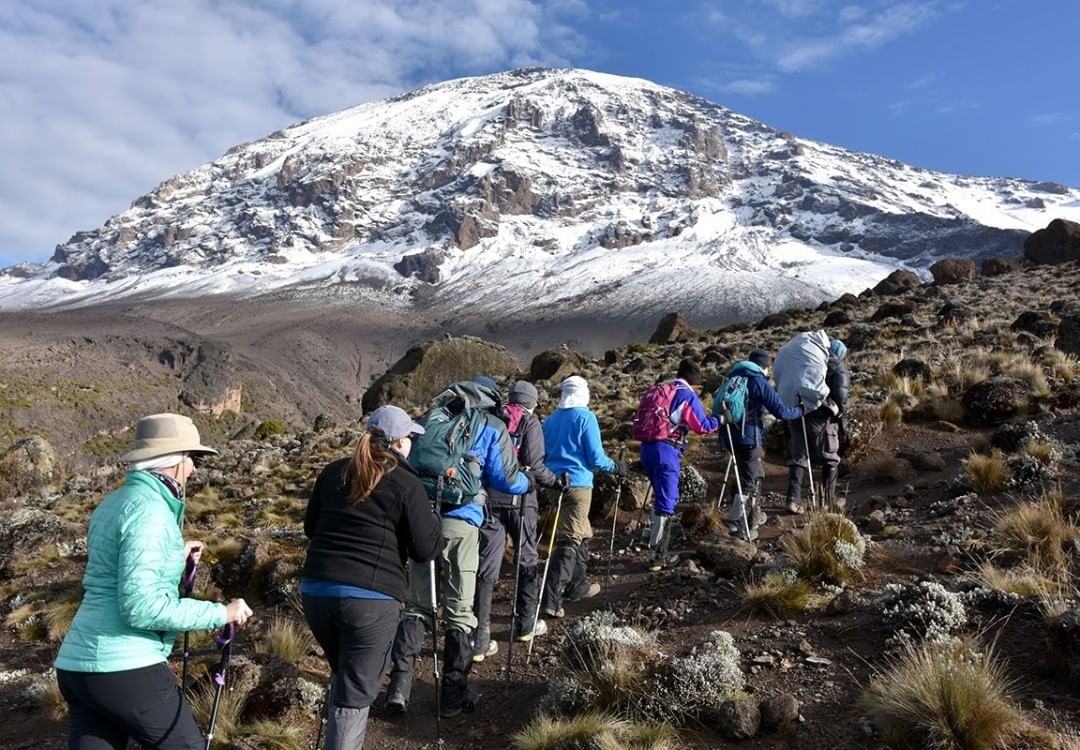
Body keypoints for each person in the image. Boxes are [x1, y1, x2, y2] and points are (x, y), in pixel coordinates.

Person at [55, 413, 253, 750]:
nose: (194, 469)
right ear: (174, 462)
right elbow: (142, 608)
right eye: (193, 459)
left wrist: (175, 552)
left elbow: (116, 568)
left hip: (77, 667)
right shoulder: (152, 512)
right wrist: (221, 613)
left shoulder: (114, 502)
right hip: (124, 667)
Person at [301, 405, 442, 748]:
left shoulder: (333, 472)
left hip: (317, 592)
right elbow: (426, 550)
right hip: (370, 600)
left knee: (345, 676)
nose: (411, 443)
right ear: (398, 442)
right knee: (353, 694)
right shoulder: (406, 484)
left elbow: (310, 528)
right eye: (409, 436)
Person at [386, 378, 528, 719]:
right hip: (461, 523)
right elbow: (506, 480)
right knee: (459, 609)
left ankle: (398, 688)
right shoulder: (492, 426)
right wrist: (527, 480)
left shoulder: (432, 417)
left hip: (421, 517)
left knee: (418, 603)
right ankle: (452, 694)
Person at [473, 380, 559, 661]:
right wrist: (554, 482)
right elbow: (535, 464)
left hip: (490, 500)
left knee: (487, 564)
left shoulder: (492, 418)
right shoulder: (530, 423)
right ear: (531, 401)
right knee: (527, 557)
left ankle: (479, 637)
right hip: (522, 499)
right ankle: (525, 624)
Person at [539, 375, 622, 618]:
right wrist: (615, 467)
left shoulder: (551, 419)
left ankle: (578, 586)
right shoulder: (585, 417)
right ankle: (551, 599)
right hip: (578, 485)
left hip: (554, 485)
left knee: (582, 532)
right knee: (569, 539)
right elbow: (596, 458)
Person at [638, 359, 719, 570]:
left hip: (646, 448)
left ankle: (650, 538)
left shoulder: (661, 389)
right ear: (695, 382)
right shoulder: (686, 394)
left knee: (660, 495)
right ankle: (657, 556)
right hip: (666, 450)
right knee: (667, 500)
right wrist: (721, 420)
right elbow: (702, 426)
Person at [719, 349, 803, 540]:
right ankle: (741, 524)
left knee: (744, 476)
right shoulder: (758, 381)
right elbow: (781, 411)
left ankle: (749, 518)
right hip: (748, 437)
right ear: (765, 366)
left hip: (729, 437)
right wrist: (800, 410)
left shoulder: (732, 377)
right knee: (753, 478)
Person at [773, 331, 842, 514]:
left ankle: (792, 499)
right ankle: (827, 501)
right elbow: (840, 391)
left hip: (795, 407)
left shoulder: (800, 355)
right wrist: (838, 410)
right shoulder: (832, 362)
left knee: (799, 454)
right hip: (819, 411)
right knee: (829, 454)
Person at [823, 339, 851, 508]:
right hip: (829, 412)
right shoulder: (838, 367)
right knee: (831, 454)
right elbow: (841, 395)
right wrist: (840, 413)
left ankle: (794, 496)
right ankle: (829, 498)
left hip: (809, 412)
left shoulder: (815, 362)